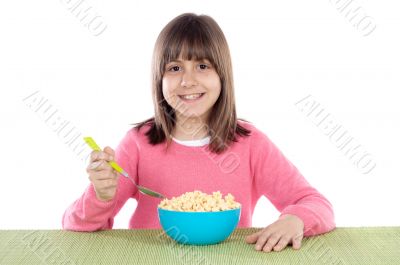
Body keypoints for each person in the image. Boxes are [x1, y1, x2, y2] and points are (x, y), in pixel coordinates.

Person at [62, 13, 335, 252]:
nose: (187, 81)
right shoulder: (138, 144)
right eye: (175, 68)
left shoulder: (251, 144)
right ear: (159, 79)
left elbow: (316, 203)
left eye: (202, 66)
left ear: (222, 76)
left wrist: (295, 218)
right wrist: (101, 194)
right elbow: (75, 227)